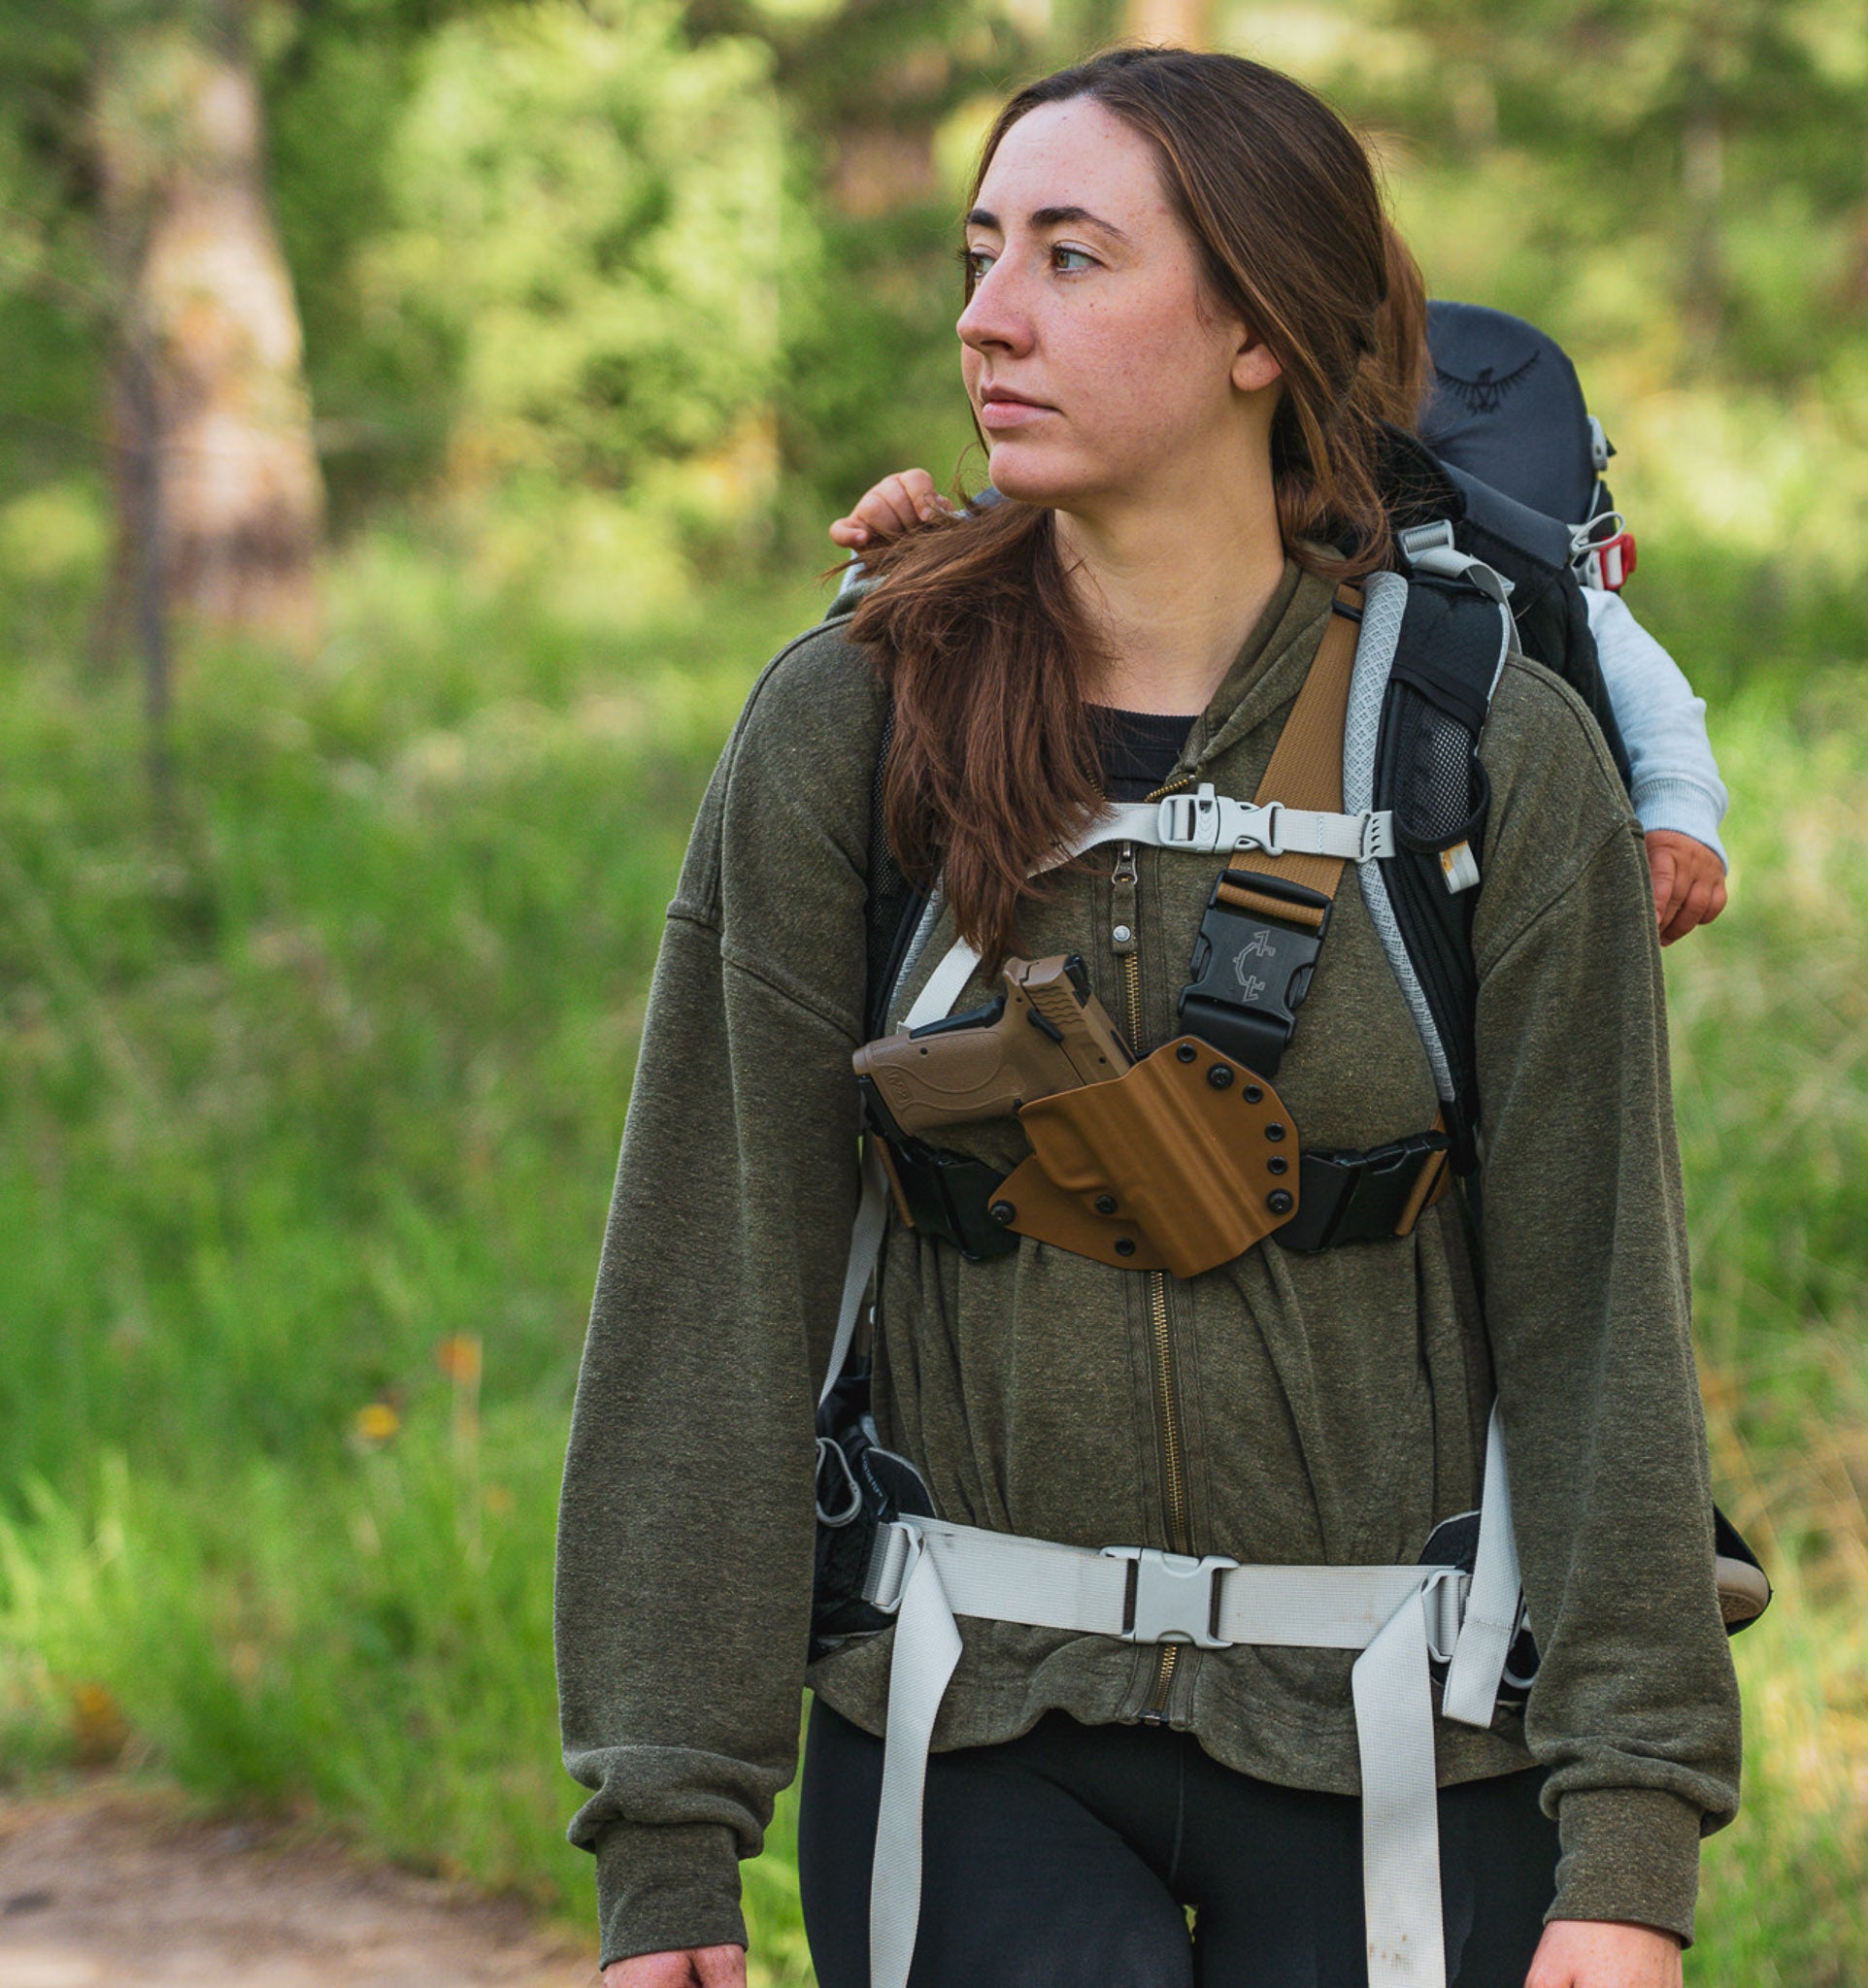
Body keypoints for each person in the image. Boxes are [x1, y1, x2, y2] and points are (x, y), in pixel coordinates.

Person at [555, 45, 1742, 1988]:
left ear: (1261, 328)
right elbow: (715, 1273)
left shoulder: (1481, 755)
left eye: (1073, 257)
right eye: (977, 250)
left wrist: (1629, 1835)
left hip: (1409, 1730)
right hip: (962, 1717)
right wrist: (665, 1826)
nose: (985, 313)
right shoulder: (851, 722)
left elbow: (1604, 1307)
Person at [827, 255, 1730, 951]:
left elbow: (1622, 655)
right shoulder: (1058, 517)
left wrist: (1677, 813)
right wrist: (900, 558)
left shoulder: (1467, 558)